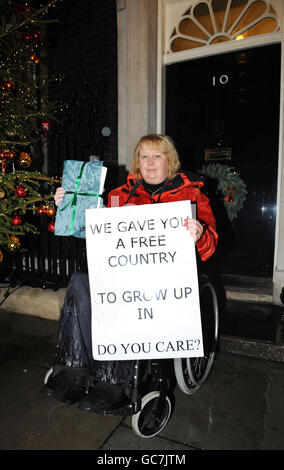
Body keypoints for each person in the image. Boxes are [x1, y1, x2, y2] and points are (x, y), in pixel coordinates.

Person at [41, 134, 218, 413]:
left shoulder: (192, 194)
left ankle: (115, 383)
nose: (149, 162)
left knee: (128, 295)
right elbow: (86, 231)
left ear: (169, 160)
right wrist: (66, 204)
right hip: (121, 276)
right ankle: (72, 368)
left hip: (165, 284)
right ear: (137, 162)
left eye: (157, 156)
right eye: (144, 156)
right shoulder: (120, 195)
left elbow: (210, 248)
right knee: (79, 281)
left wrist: (199, 233)